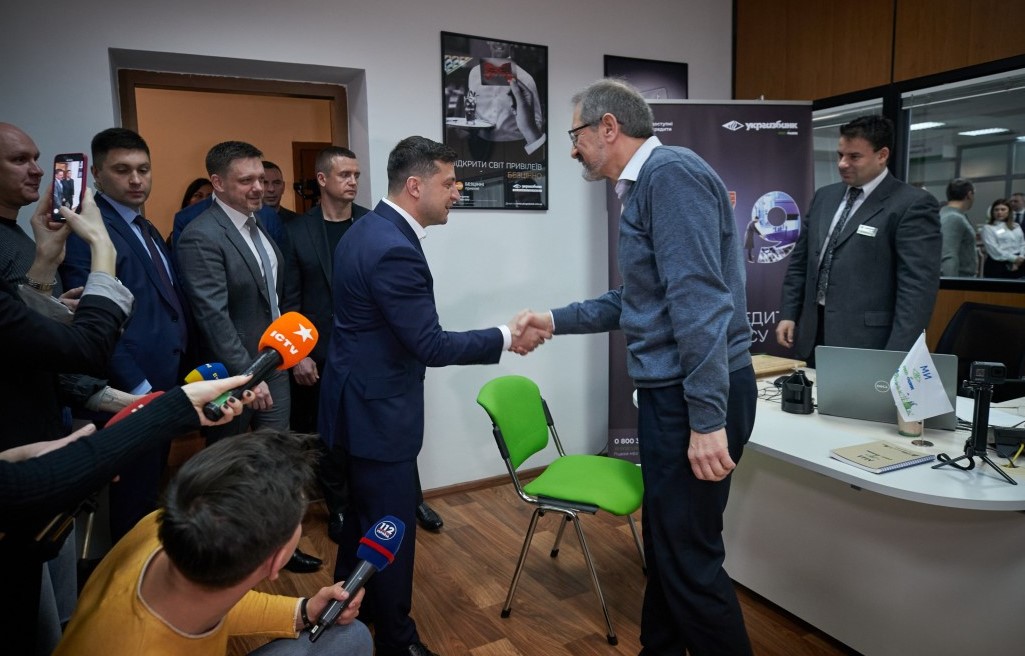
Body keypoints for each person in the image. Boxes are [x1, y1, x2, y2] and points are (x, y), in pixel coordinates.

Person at [516, 79, 756, 655]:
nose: (571, 148)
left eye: (575, 134)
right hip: (675, 394)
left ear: (608, 127)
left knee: (689, 559)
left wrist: (706, 419)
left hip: (691, 396)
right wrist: (554, 319)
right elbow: (638, 299)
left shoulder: (669, 176)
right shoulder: (646, 184)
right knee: (668, 547)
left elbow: (700, 303)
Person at [318, 136, 547, 656]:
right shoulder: (394, 247)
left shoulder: (364, 229)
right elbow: (430, 345)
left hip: (354, 405)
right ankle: (396, 641)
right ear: (415, 186)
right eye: (449, 182)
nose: (457, 192)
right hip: (378, 416)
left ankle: (346, 614)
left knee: (361, 521)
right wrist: (506, 337)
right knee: (390, 529)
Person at [54, 429, 373, 656]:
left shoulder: (161, 525)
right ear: (277, 561)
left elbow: (216, 602)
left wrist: (304, 611)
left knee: (350, 636)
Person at [281, 146, 442, 543]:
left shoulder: (375, 224)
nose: (353, 181)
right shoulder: (297, 231)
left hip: (375, 355)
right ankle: (340, 507)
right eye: (344, 175)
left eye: (356, 174)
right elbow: (290, 298)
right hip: (322, 352)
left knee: (389, 438)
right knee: (332, 438)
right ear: (322, 179)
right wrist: (299, 355)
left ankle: (410, 500)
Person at [176, 141, 319, 574]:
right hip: (235, 375)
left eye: (261, 178)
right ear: (218, 183)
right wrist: (248, 376)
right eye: (247, 180)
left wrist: (285, 359)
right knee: (231, 466)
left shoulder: (261, 226)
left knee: (278, 460)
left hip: (273, 365)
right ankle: (229, 555)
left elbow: (273, 300)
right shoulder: (201, 235)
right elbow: (213, 316)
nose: (259, 187)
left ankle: (279, 547)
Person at [60, 127, 193, 541]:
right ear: (97, 174)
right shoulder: (88, 230)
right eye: (122, 170)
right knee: (131, 502)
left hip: (162, 381)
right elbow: (93, 320)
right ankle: (125, 577)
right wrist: (137, 386)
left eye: (143, 169)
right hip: (128, 388)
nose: (136, 180)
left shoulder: (144, 227)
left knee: (148, 492)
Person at [776, 115, 941, 362]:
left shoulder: (911, 204)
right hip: (812, 333)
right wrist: (789, 313)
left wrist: (898, 354)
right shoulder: (824, 197)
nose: (843, 164)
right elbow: (801, 262)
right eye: (840, 155)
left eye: (854, 157)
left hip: (868, 341)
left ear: (882, 155)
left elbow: (917, 289)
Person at [465, 40, 546, 157]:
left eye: (503, 42)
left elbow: (537, 122)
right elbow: (470, 108)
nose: (498, 44)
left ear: (511, 44)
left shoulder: (525, 78)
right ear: (488, 41)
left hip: (515, 146)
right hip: (481, 144)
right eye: (494, 40)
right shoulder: (474, 73)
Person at [939, 177, 978, 277]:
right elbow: (948, 256)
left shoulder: (952, 215)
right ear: (969, 194)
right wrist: (952, 284)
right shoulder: (953, 217)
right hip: (959, 279)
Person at [980, 197, 1025, 278]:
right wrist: (1014, 258)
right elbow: (993, 249)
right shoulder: (988, 228)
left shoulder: (1016, 226)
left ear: (1009, 211)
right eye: (996, 210)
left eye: (1003, 209)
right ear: (992, 212)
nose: (999, 212)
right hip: (998, 264)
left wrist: (1021, 257)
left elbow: (1022, 243)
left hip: (1019, 263)